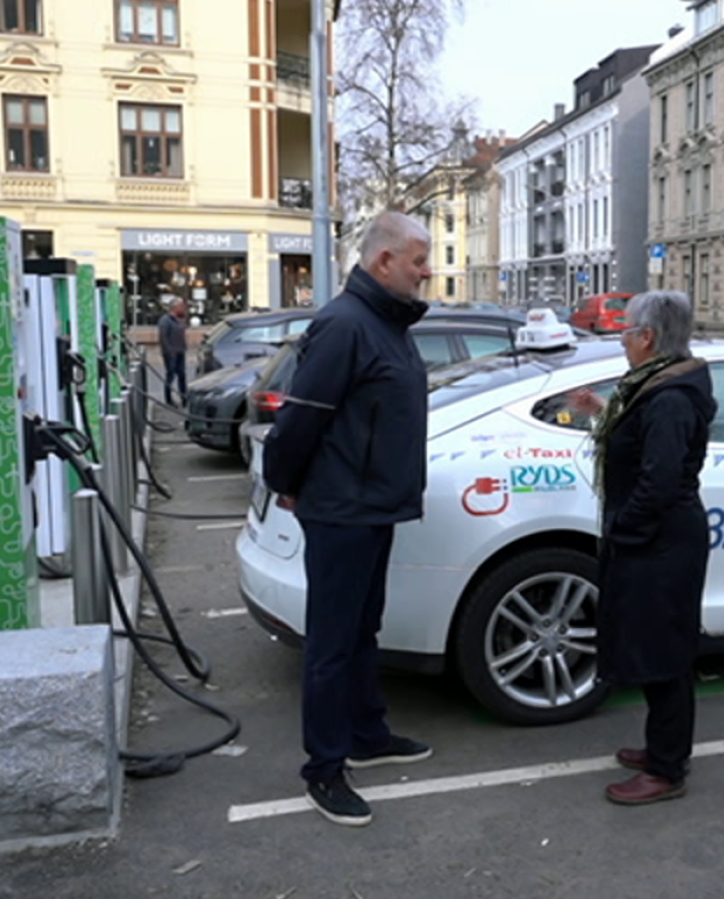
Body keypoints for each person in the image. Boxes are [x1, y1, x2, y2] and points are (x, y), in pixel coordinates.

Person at [261, 212, 436, 827]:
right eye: (418, 258)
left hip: (373, 506)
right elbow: (300, 419)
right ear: (384, 260)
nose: (427, 269)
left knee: (364, 628)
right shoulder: (343, 326)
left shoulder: (386, 322)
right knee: (332, 644)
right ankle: (325, 768)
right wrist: (286, 483)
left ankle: (366, 735)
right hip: (342, 510)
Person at [569, 290, 715, 806]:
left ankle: (667, 767)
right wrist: (600, 410)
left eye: (626, 334)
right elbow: (638, 441)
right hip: (657, 537)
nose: (623, 343)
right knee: (656, 646)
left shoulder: (671, 398)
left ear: (648, 338)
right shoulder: (655, 386)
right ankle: (662, 747)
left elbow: (659, 481)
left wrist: (625, 532)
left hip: (661, 542)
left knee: (665, 653)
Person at [157, 296, 188, 406]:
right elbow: (163, 337)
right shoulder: (165, 321)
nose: (184, 308)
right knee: (170, 375)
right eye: (181, 306)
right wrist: (168, 350)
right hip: (171, 353)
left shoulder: (180, 319)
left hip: (180, 350)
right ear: (175, 307)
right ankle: (168, 399)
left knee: (182, 375)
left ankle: (184, 398)